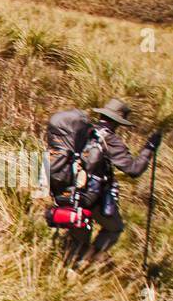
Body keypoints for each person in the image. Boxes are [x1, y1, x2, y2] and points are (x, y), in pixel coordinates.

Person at [65, 98, 162, 268]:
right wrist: (149, 148)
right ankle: (88, 262)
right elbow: (133, 169)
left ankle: (69, 270)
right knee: (114, 228)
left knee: (78, 239)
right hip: (92, 196)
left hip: (68, 192)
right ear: (118, 122)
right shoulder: (110, 140)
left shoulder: (82, 132)